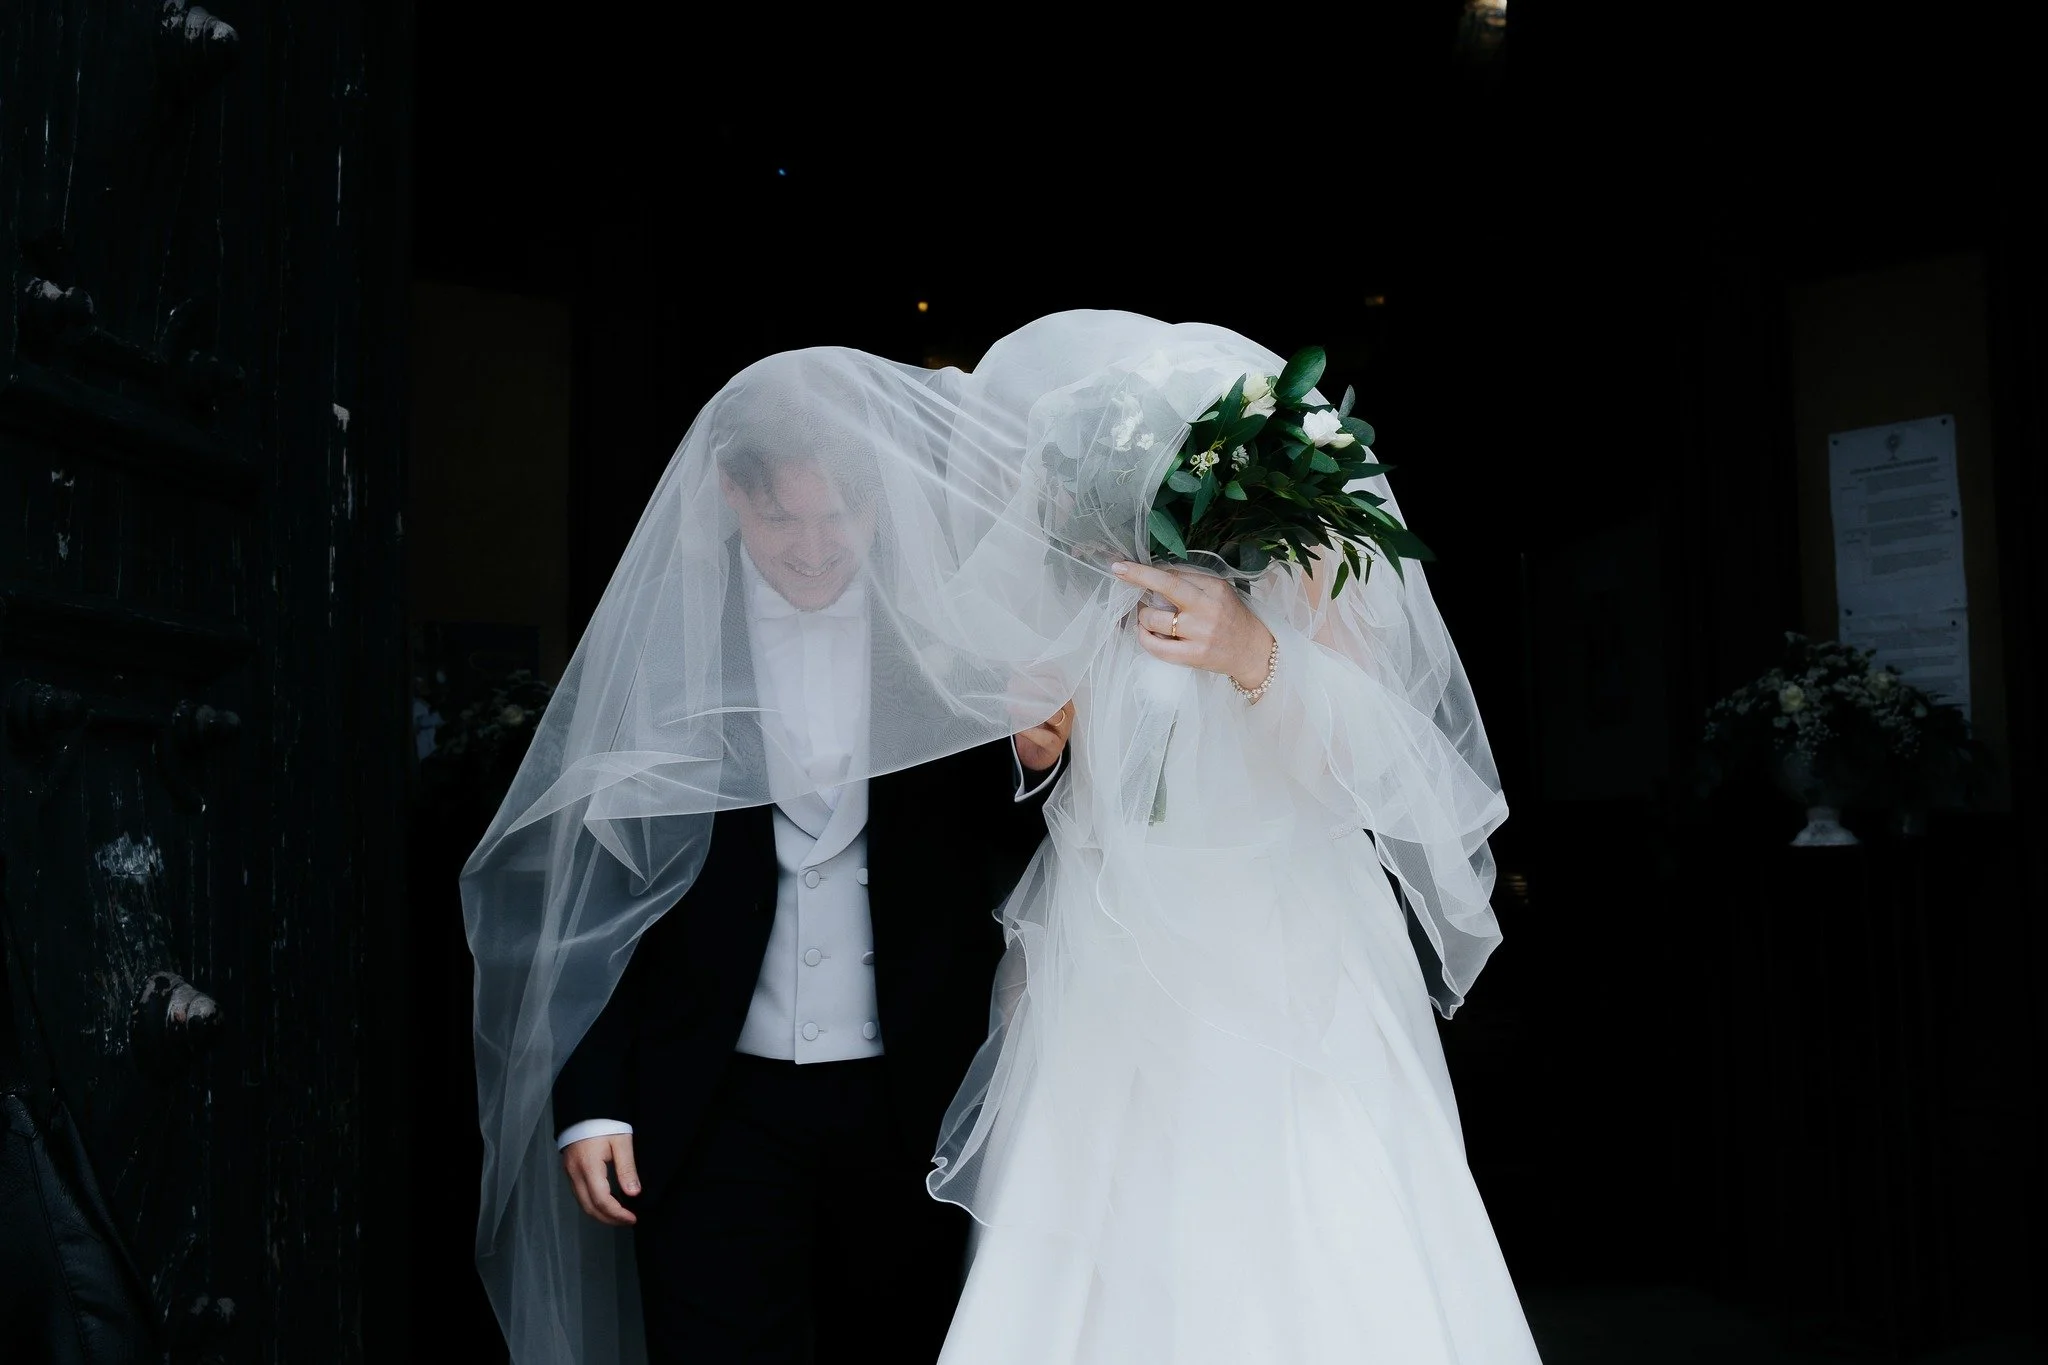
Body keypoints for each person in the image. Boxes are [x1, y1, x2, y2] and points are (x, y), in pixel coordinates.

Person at [465, 312, 1536, 1365]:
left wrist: (1249, 657)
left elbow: (1378, 770)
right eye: (783, 519)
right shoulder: (1000, 592)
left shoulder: (1285, 565)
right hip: (1050, 998)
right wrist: (1040, 748)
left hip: (1260, 966)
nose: (814, 546)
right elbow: (605, 876)